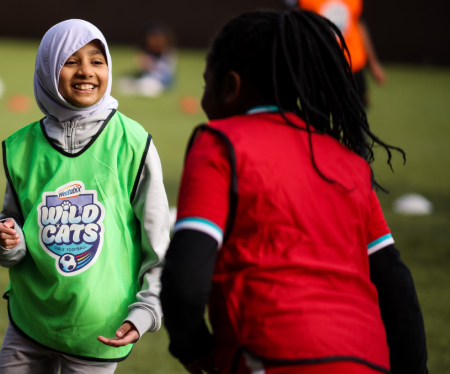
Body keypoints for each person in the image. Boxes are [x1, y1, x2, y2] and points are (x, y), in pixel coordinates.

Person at [161, 10, 428, 374]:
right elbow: (397, 287)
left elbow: (185, 279)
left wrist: (192, 348)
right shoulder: (350, 163)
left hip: (270, 357)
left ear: (230, 87)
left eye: (207, 84)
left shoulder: (221, 144)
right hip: (367, 361)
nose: (204, 99)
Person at [0, 19, 170, 374]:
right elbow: (14, 230)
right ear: (48, 67)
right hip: (30, 325)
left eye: (96, 60)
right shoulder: (21, 146)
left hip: (99, 330)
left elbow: (157, 240)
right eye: (70, 61)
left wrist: (148, 309)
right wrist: (6, 239)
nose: (85, 71)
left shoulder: (133, 143)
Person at [284, 0, 386, 105]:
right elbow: (294, 26)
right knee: (320, 113)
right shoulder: (303, 2)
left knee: (357, 112)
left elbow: (360, 24)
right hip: (321, 68)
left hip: (353, 66)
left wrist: (374, 63)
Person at [119, 23, 177, 97]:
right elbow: (140, 69)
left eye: (156, 39)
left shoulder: (169, 52)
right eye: (151, 40)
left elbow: (167, 74)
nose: (153, 42)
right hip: (146, 79)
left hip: (159, 83)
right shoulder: (146, 52)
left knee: (148, 86)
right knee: (125, 82)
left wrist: (151, 65)